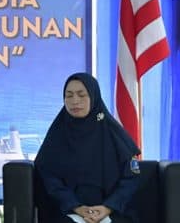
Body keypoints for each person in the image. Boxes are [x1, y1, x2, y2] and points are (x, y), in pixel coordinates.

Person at [34, 72, 141, 223]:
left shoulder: (112, 133)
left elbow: (131, 178)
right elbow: (49, 178)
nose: (75, 101)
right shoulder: (58, 134)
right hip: (67, 211)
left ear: (93, 96)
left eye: (81, 95)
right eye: (69, 95)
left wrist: (108, 207)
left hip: (112, 211)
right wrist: (75, 206)